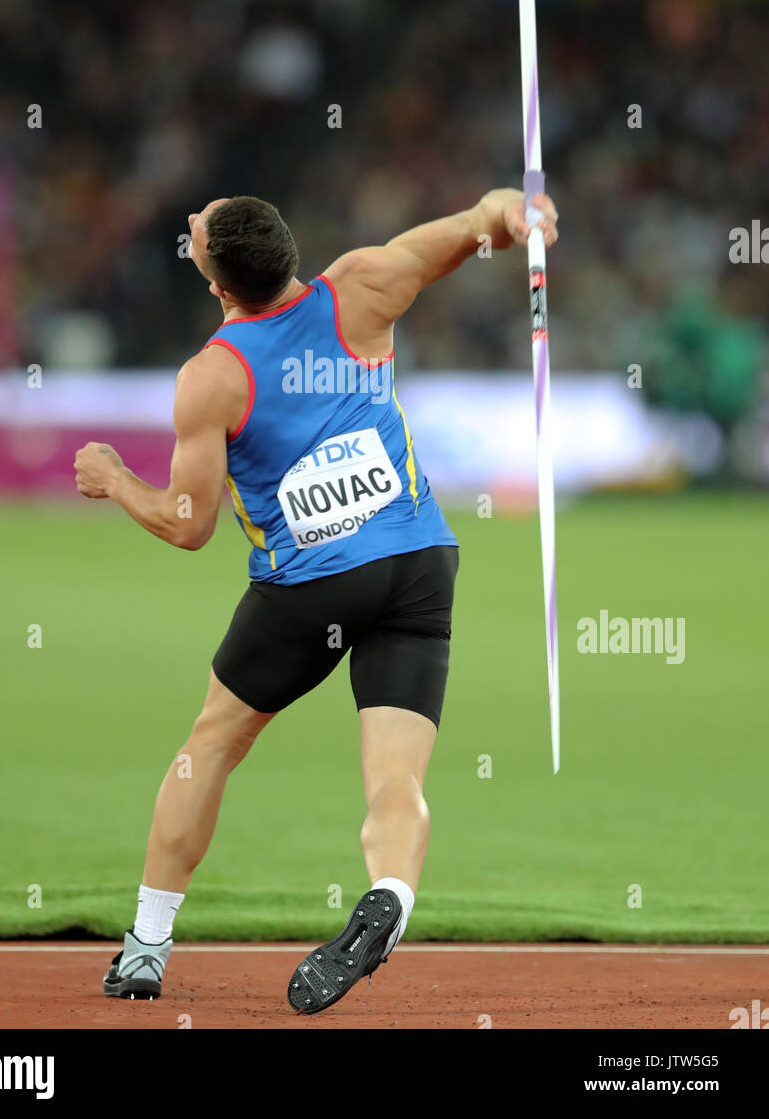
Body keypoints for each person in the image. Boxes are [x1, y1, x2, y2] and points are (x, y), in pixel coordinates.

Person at [74, 187, 558, 1014]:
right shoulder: (364, 284)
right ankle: (392, 899)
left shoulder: (213, 375)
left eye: (198, 227)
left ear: (218, 281)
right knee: (396, 778)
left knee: (212, 745)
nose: (191, 219)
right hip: (417, 561)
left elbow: (189, 526)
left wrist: (116, 481)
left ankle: (146, 950)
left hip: (311, 585)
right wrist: (521, 218)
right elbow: (479, 224)